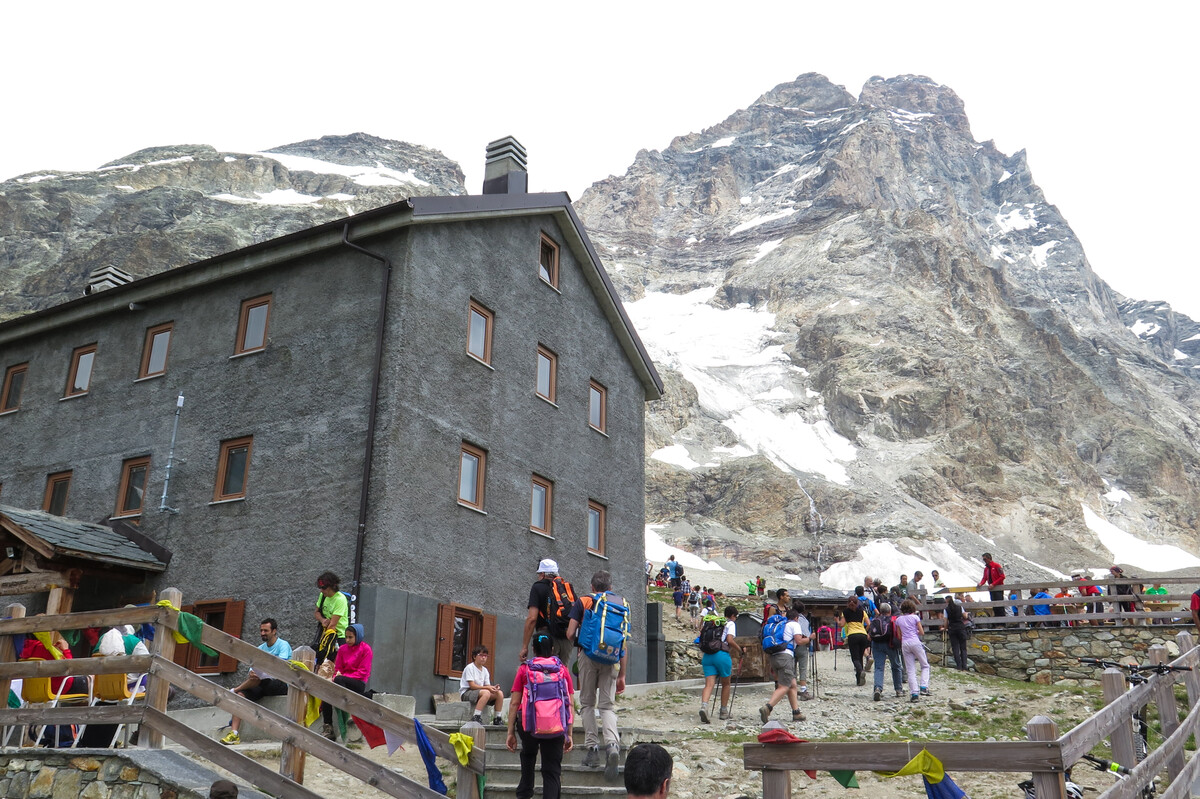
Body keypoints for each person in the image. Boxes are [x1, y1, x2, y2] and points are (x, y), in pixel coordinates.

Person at [565, 570, 628, 781]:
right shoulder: (621, 604)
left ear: (592, 587)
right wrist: (622, 675)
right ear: (610, 588)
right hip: (612, 659)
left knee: (587, 704)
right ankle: (612, 745)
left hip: (588, 655)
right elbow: (623, 642)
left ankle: (592, 750)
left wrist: (582, 637)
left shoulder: (584, 601)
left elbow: (569, 633)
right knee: (607, 706)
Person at [507, 632, 573, 799]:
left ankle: (524, 794)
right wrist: (569, 733)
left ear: (533, 649)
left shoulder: (524, 669)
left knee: (528, 757)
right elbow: (569, 703)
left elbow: (514, 703)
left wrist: (510, 733)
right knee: (551, 770)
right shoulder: (562, 670)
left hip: (528, 724)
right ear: (552, 649)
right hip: (556, 724)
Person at [221, 618, 294, 744]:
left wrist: (261, 672)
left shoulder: (283, 645)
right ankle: (234, 734)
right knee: (241, 695)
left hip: (280, 684)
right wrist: (252, 672)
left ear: (274, 631)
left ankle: (234, 689)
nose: (262, 633)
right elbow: (252, 668)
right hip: (262, 683)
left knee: (260, 679)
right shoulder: (260, 648)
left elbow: (279, 667)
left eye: (266, 630)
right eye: (261, 630)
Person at [321, 623, 372, 740]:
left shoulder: (366, 649)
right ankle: (328, 727)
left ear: (358, 636)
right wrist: (337, 676)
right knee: (326, 692)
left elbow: (363, 672)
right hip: (341, 682)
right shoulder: (343, 649)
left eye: (350, 637)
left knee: (339, 680)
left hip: (358, 683)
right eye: (346, 637)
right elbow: (338, 668)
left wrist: (342, 676)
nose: (347, 640)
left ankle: (348, 713)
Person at [521, 559, 574, 664]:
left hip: (546, 638)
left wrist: (524, 647)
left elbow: (532, 618)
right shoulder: (566, 587)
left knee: (544, 670)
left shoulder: (538, 587)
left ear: (542, 574)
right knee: (562, 673)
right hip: (566, 638)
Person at [758, 605, 806, 723]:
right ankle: (768, 707)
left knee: (792, 684)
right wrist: (810, 638)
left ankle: (796, 712)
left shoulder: (779, 626)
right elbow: (799, 641)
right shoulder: (794, 624)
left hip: (774, 656)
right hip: (786, 656)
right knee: (784, 686)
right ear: (796, 617)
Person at [699, 605, 744, 722]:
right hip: (721, 655)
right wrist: (740, 650)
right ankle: (723, 711)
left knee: (709, 684)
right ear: (733, 616)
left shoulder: (713, 622)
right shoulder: (730, 624)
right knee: (726, 684)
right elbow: (729, 640)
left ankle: (704, 706)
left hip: (707, 656)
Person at [21, 629, 87, 697]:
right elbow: (68, 668)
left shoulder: (22, 653)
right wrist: (66, 651)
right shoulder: (45, 650)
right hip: (60, 687)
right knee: (92, 679)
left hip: (33, 692)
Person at [896, 599, 930, 701]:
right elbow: (922, 632)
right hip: (915, 641)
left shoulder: (898, 619)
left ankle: (914, 693)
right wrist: (915, 631)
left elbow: (899, 635)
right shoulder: (915, 617)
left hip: (905, 643)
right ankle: (923, 686)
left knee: (910, 669)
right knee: (925, 665)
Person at [461, 645, 504, 725]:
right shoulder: (470, 667)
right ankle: (476, 716)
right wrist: (487, 688)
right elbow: (472, 686)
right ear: (474, 656)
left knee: (499, 693)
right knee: (486, 692)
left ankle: (497, 717)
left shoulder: (485, 670)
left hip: (480, 693)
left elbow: (487, 685)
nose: (483, 658)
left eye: (485, 656)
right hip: (467, 693)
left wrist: (493, 688)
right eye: (481, 655)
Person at [869, 601, 903, 700]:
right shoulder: (893, 620)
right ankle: (898, 689)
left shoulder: (875, 619)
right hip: (890, 644)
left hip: (876, 644)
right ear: (890, 611)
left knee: (879, 667)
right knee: (896, 666)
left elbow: (870, 635)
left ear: (880, 610)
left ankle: (878, 688)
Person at [314, 571, 349, 664]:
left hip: (338, 636)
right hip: (324, 634)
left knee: (333, 665)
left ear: (332, 586)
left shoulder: (340, 599)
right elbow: (316, 612)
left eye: (324, 588)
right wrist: (323, 620)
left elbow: (333, 625)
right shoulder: (323, 596)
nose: (321, 590)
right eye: (320, 588)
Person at [838, 596, 870, 687]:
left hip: (852, 635)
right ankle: (859, 680)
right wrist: (865, 630)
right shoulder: (862, 612)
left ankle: (860, 670)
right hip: (863, 635)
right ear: (857, 603)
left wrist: (837, 620)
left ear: (848, 603)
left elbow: (842, 624)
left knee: (855, 658)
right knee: (860, 656)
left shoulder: (845, 612)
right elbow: (869, 624)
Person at [790, 601, 814, 700]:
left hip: (791, 645)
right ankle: (803, 690)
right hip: (802, 645)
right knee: (802, 668)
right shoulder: (804, 620)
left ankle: (792, 690)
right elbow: (806, 633)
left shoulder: (789, 619)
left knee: (792, 669)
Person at [944, 595, 969, 671]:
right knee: (963, 648)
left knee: (955, 648)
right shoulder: (959, 607)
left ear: (946, 601)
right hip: (961, 627)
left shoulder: (946, 609)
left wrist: (945, 628)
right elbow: (965, 616)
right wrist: (967, 614)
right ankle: (964, 666)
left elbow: (945, 621)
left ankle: (958, 666)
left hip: (952, 628)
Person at [977, 553, 1006, 619]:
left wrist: (994, 584)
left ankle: (1002, 623)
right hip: (991, 589)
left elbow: (1002, 576)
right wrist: (981, 584)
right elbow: (984, 578)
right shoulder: (986, 569)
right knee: (994, 605)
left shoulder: (997, 566)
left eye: (985, 559)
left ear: (989, 558)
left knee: (1000, 605)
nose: (984, 560)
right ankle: (997, 622)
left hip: (998, 588)